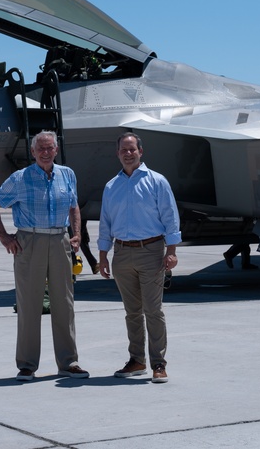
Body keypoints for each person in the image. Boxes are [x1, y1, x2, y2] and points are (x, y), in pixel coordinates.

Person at [0, 130, 89, 382]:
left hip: (59, 240)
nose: (45, 152)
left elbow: (74, 205)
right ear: (32, 152)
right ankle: (27, 365)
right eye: (40, 148)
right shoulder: (20, 178)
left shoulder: (67, 174)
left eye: (49, 148)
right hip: (29, 241)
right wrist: (4, 237)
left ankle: (69, 362)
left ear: (56, 150)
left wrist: (76, 235)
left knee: (64, 303)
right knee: (29, 304)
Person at [98, 132, 181, 384]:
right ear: (118, 153)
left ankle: (158, 363)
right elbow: (105, 224)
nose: (128, 153)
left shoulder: (157, 182)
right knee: (132, 312)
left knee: (153, 310)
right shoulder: (111, 186)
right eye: (123, 149)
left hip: (151, 251)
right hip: (121, 254)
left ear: (140, 152)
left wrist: (172, 251)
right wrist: (103, 256)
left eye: (132, 149)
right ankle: (137, 360)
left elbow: (170, 216)